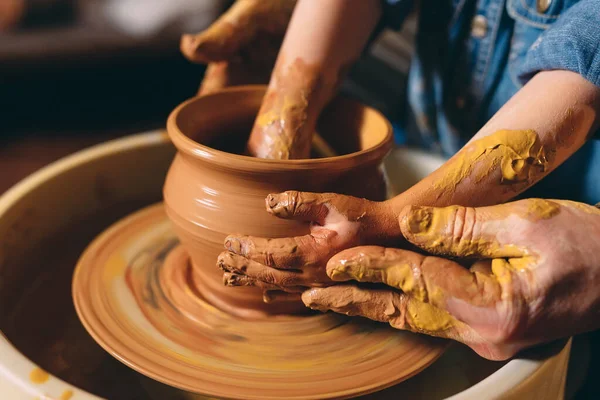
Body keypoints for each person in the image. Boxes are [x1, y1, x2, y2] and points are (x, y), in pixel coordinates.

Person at [182, 0, 600, 360]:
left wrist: (392, 222)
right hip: (431, 142)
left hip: (570, 241)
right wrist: (286, 103)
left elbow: (588, 53)